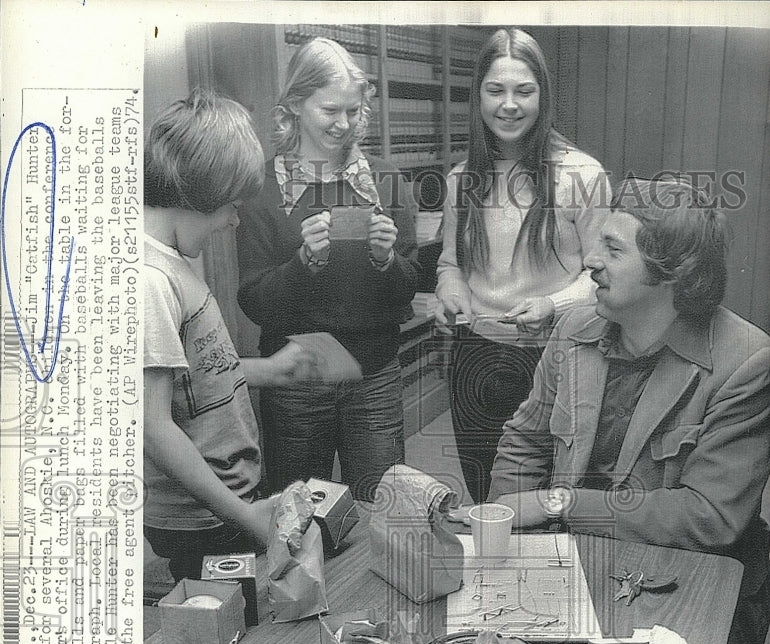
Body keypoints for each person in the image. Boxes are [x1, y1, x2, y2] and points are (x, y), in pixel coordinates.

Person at [486, 176, 770, 644]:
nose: (588, 261)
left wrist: (562, 504)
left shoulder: (746, 361)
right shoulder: (573, 330)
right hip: (572, 564)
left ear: (670, 276)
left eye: (612, 249)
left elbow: (710, 518)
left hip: (689, 580)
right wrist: (505, 538)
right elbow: (525, 442)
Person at [236, 37, 421, 502]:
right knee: (299, 512)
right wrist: (303, 264)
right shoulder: (261, 188)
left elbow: (411, 286)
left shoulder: (386, 181)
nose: (344, 124)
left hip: (374, 372)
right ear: (296, 104)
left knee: (383, 507)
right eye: (330, 110)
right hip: (295, 379)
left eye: (354, 112)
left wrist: (386, 261)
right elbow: (254, 301)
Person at [143, 90, 314, 583]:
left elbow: (195, 376)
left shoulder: (175, 265)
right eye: (232, 207)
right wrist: (245, 517)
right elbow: (153, 426)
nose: (236, 220)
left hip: (223, 505)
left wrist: (268, 370)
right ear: (198, 194)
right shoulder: (152, 281)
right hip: (203, 518)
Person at [435, 27, 611, 505]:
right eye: (495, 90)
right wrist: (450, 291)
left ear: (543, 96)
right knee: (484, 494)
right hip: (475, 353)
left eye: (523, 91)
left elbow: (601, 277)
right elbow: (450, 264)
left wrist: (550, 304)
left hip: (554, 354)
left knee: (544, 498)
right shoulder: (460, 179)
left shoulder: (583, 175)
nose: (508, 105)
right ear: (478, 97)